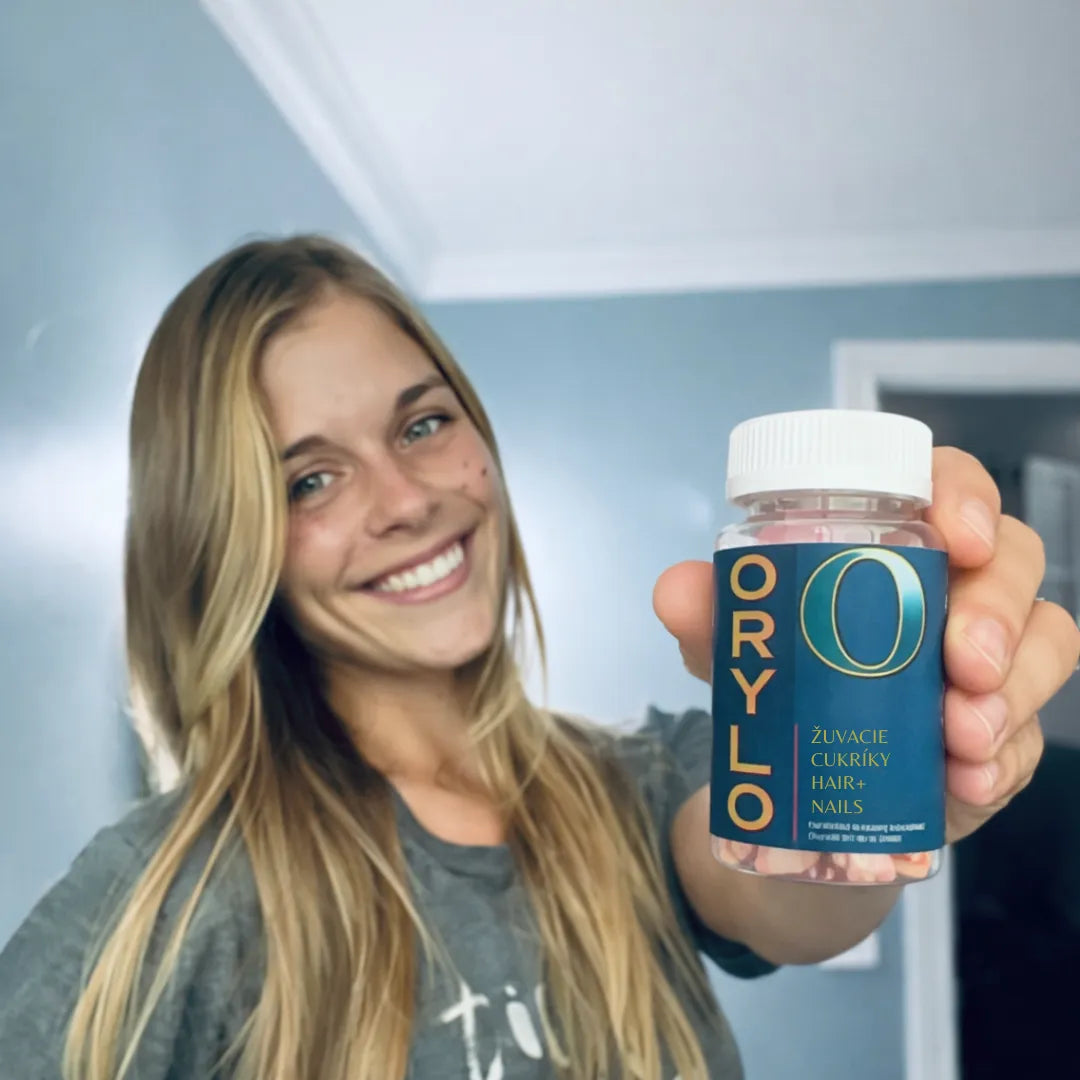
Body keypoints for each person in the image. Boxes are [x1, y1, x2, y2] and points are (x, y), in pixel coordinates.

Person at [0, 236, 1075, 1080]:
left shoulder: (641, 782)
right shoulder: (170, 892)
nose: (407, 500)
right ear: (225, 543)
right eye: (309, 481)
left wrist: (901, 755)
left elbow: (791, 887)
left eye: (422, 425)